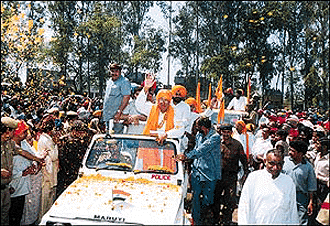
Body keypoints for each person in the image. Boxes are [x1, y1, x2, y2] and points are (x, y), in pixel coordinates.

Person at [176, 117, 222, 225]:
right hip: (197, 172)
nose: (196, 129)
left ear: (203, 127)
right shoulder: (199, 135)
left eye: (198, 126)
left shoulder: (215, 138)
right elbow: (196, 149)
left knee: (208, 201)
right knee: (195, 199)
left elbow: (201, 150)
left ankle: (206, 220)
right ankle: (195, 222)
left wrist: (186, 156)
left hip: (210, 174)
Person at [1, 117, 44, 225]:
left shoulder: (9, 144)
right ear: (8, 131)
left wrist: (37, 159)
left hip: (6, 189)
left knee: (8, 218)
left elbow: (23, 152)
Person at [238, 149, 299, 225]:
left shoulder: (288, 182)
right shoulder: (254, 178)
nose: (275, 168)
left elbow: (292, 211)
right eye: (271, 163)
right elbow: (244, 207)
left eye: (279, 164)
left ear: (283, 163)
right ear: (265, 161)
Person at [214, 123, 249, 225]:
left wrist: (245, 173)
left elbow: (243, 160)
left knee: (230, 199)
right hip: (217, 176)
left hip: (231, 176)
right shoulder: (216, 143)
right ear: (220, 132)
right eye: (223, 132)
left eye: (228, 132)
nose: (225, 134)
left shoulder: (237, 145)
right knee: (215, 198)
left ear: (231, 133)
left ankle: (227, 220)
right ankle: (216, 219)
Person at [9, 120, 39, 226]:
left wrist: (34, 165)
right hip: (11, 187)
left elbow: (33, 155)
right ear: (16, 133)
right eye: (24, 132)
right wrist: (22, 173)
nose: (26, 134)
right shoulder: (8, 146)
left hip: (23, 187)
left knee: (18, 216)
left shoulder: (24, 143)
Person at [282, 140, 317, 225]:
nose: (290, 152)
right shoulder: (284, 162)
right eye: (290, 150)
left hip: (301, 198)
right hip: (285, 195)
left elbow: (311, 186)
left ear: (301, 154)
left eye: (293, 151)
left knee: (301, 221)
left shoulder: (308, 167)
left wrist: (311, 202)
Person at [37, 115, 59, 221]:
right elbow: (54, 156)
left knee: (49, 197)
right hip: (47, 173)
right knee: (46, 199)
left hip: (50, 172)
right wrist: (56, 145)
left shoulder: (46, 138)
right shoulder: (46, 140)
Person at [102, 63, 131, 134]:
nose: (114, 73)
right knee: (108, 138)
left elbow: (126, 97)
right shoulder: (109, 81)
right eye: (112, 71)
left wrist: (119, 111)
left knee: (116, 138)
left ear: (120, 72)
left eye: (116, 71)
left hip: (117, 117)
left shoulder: (124, 81)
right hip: (107, 116)